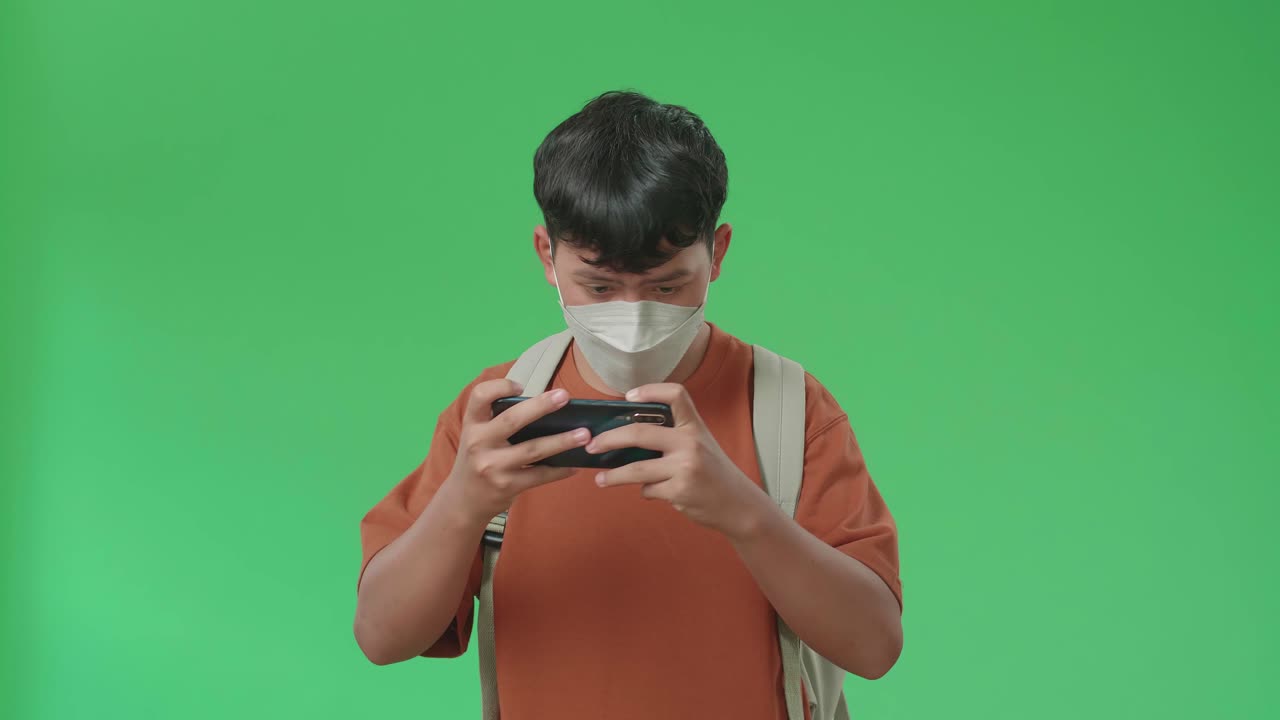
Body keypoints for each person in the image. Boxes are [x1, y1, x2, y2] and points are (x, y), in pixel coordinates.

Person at [353, 90, 903, 719]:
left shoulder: (787, 409)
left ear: (717, 252)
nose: (633, 317)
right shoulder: (498, 415)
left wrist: (743, 510)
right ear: (547, 256)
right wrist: (463, 504)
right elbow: (381, 637)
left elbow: (875, 646)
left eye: (666, 285)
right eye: (598, 286)